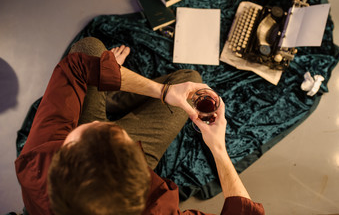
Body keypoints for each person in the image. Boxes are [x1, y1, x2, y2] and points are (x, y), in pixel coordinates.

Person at [15, 37, 265, 215]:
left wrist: (164, 91)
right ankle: (107, 85)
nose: (99, 125)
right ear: (139, 184)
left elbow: (77, 64)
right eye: (118, 136)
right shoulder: (158, 209)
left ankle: (108, 86)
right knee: (190, 81)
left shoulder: (39, 160)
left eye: (79, 134)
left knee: (89, 49)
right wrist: (218, 147)